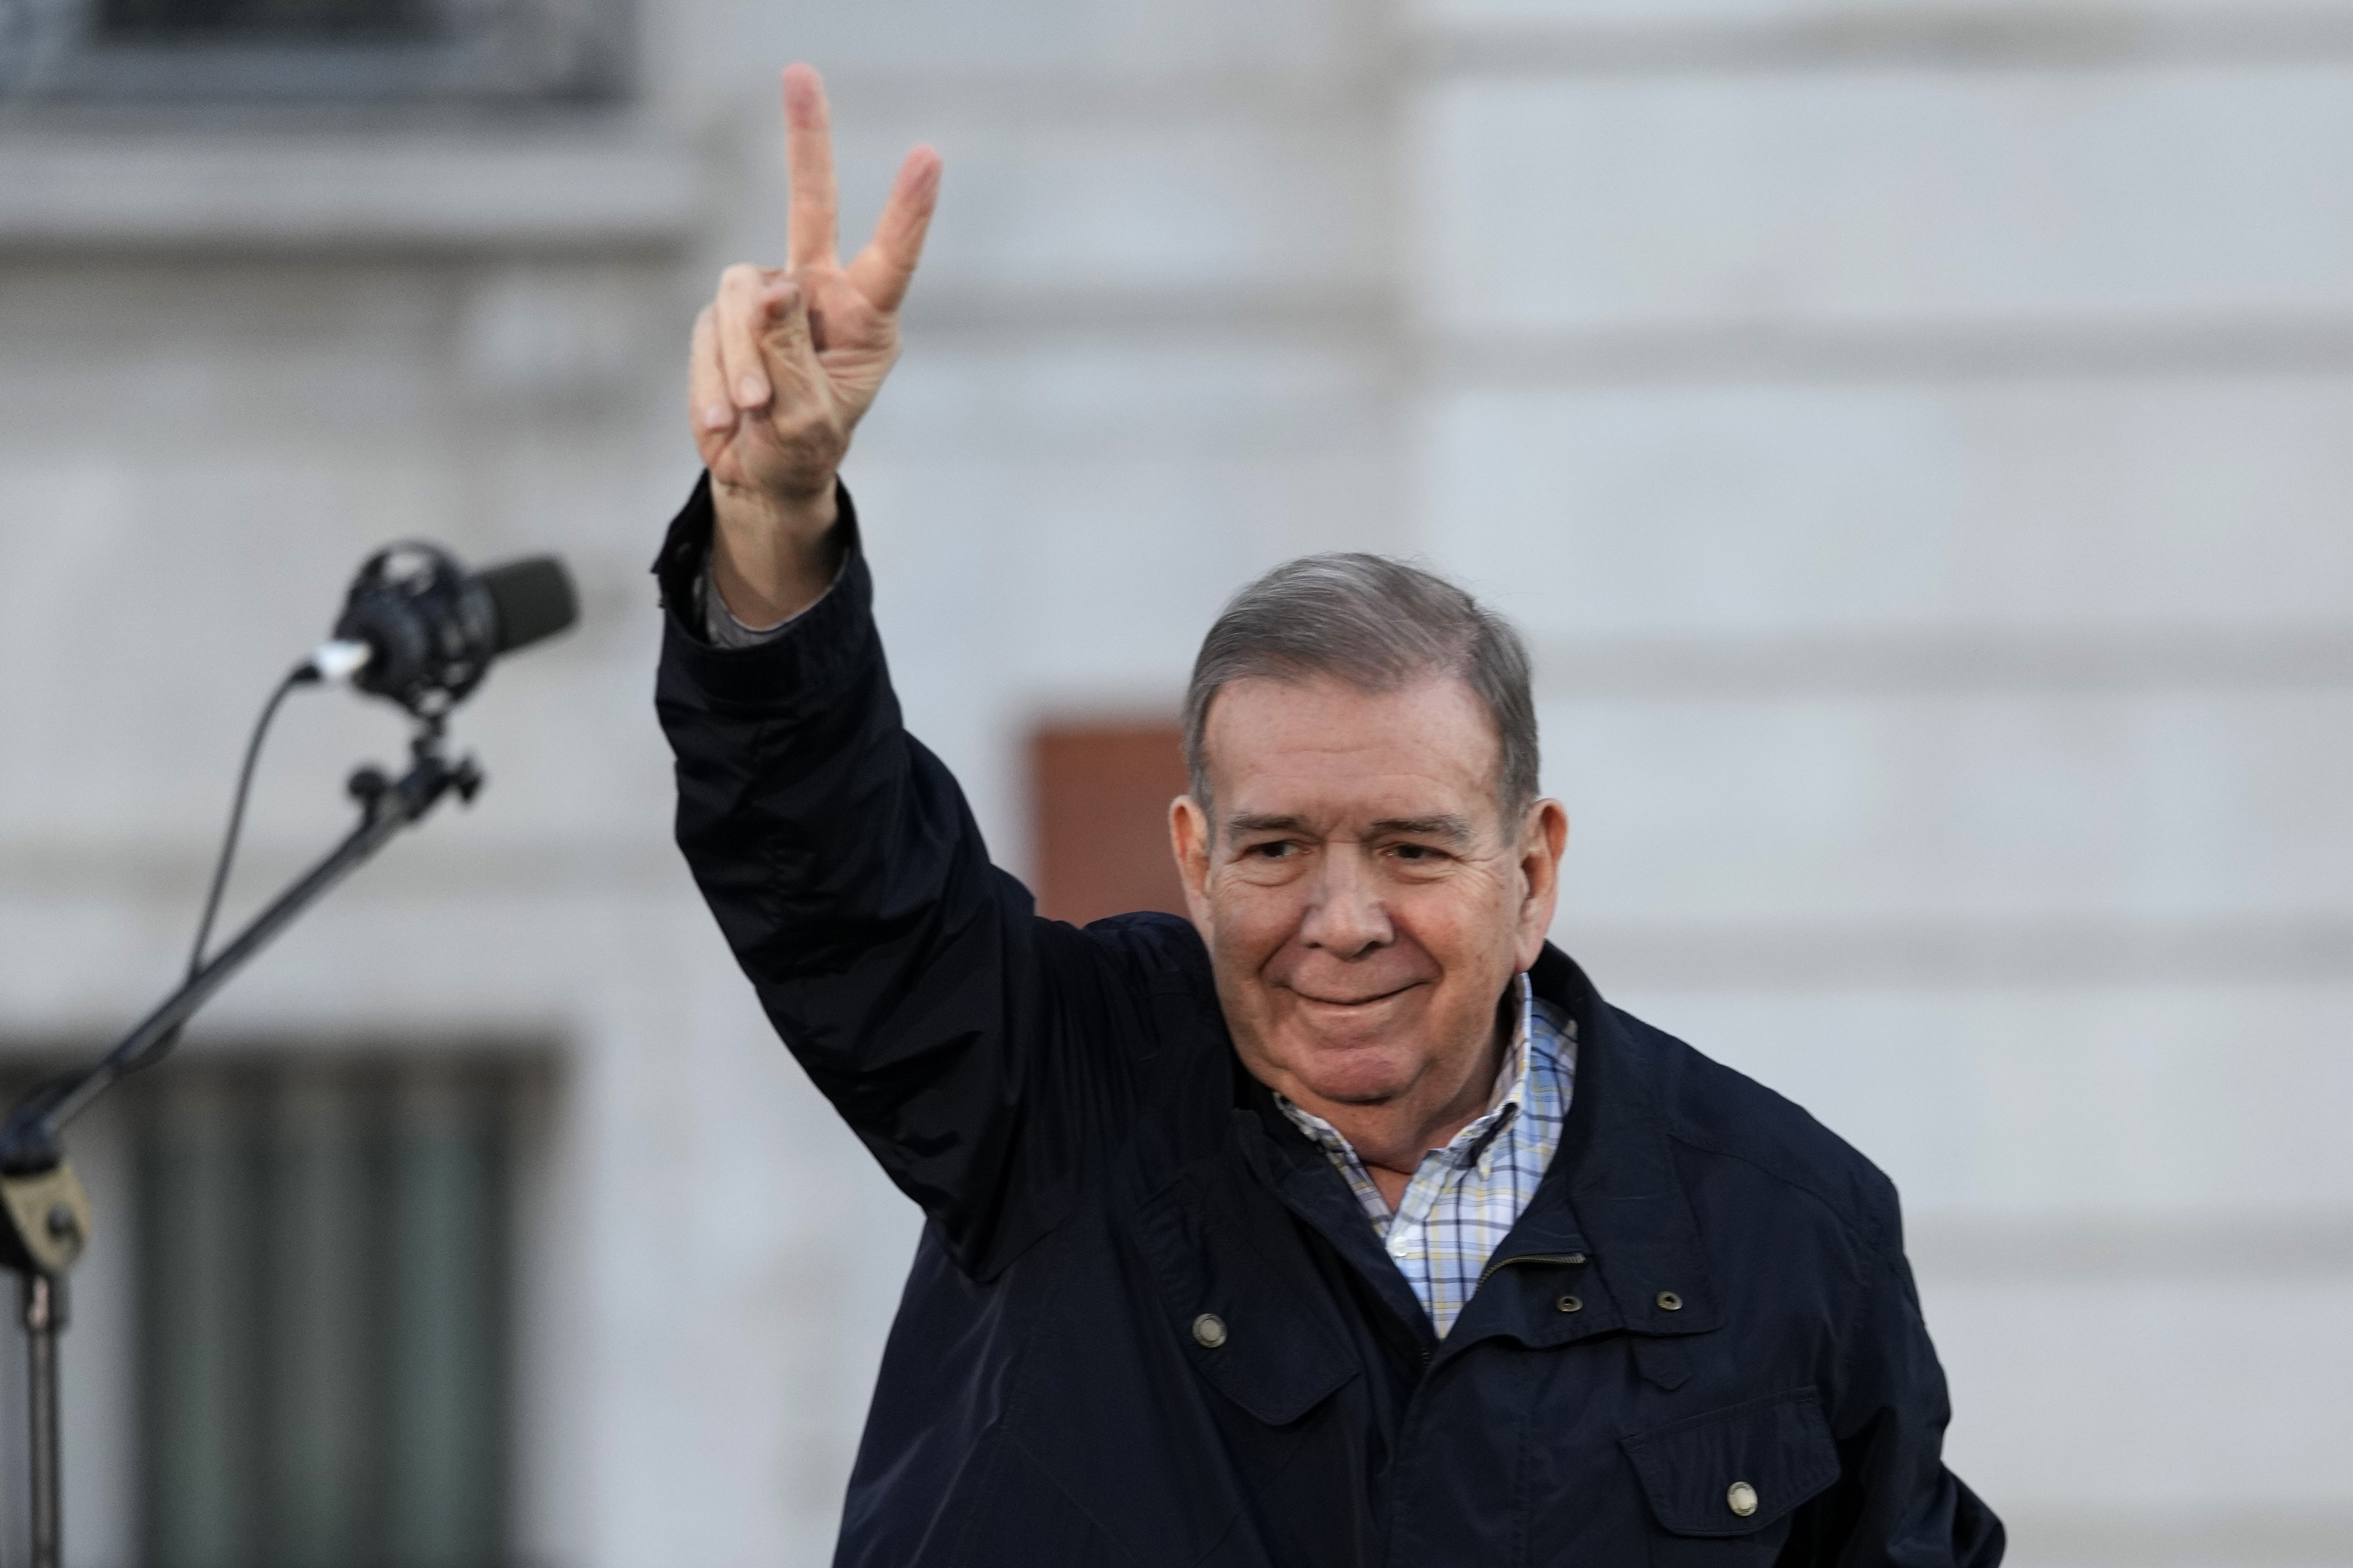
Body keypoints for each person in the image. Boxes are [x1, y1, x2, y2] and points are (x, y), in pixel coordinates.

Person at [652, 62, 2005, 1568]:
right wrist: (774, 516)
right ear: (1195, 859)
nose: (1340, 918)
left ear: (1531, 867)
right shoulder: (1053, 1089)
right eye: (1278, 846)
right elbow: (831, 867)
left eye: (1412, 848)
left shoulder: (1788, 1227)